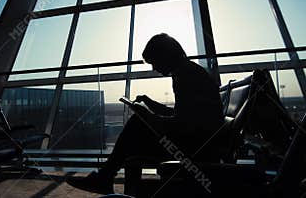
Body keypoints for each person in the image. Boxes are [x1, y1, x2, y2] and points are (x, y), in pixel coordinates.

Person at [67, 33, 224, 194]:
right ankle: (106, 178)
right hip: (199, 143)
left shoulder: (186, 75)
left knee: (136, 128)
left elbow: (184, 123)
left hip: (193, 149)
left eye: (154, 62)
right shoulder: (188, 71)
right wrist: (151, 105)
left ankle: (106, 178)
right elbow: (184, 115)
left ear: (165, 56)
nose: (154, 68)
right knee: (136, 131)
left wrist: (149, 117)